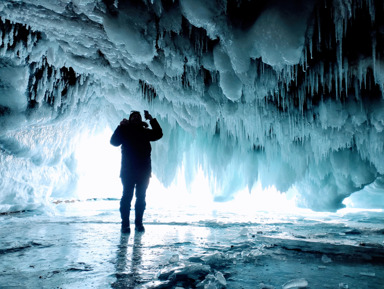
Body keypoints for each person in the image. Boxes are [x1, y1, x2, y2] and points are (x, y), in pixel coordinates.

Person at [110, 110, 163, 233]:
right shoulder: (124, 131)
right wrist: (120, 126)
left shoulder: (145, 132)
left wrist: (151, 119)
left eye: (138, 116)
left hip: (143, 171)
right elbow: (113, 142)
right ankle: (125, 225)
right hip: (128, 171)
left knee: (140, 198)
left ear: (141, 120)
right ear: (129, 119)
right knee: (127, 197)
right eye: (133, 116)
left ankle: (139, 223)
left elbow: (158, 134)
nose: (136, 118)